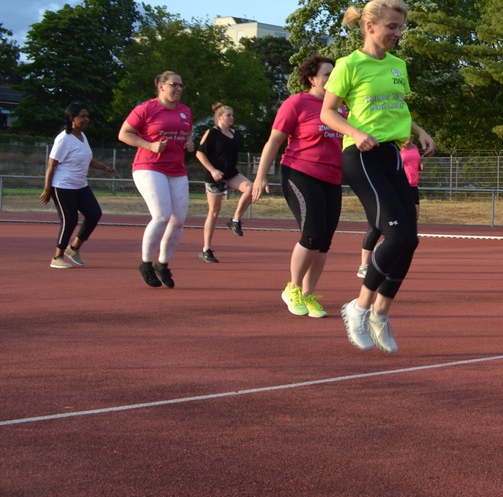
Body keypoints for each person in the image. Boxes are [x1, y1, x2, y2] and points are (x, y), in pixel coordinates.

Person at [321, 0, 435, 355]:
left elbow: (395, 106)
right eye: (391, 27)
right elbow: (327, 112)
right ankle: (358, 307)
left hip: (392, 154)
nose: (397, 33)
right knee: (397, 235)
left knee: (411, 239)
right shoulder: (348, 65)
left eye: (400, 27)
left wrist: (418, 131)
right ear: (369, 27)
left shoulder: (398, 65)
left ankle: (380, 314)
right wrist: (355, 133)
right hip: (362, 155)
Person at [252, 55, 344, 320]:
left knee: (325, 242)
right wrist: (261, 176)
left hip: (332, 178)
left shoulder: (341, 109)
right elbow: (274, 141)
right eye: (327, 74)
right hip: (300, 172)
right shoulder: (297, 103)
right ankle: (291, 287)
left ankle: (308, 294)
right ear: (312, 78)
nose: (332, 79)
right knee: (312, 234)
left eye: (335, 74)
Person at [118, 70, 195, 288]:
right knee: (161, 216)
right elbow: (124, 134)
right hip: (149, 166)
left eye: (181, 85)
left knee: (178, 220)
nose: (179, 89)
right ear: (161, 86)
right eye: (174, 85)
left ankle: (163, 263)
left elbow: (186, 133)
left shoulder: (185, 111)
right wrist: (149, 145)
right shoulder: (146, 108)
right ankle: (145, 263)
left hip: (176, 168)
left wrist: (189, 143)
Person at [41, 103, 116, 267]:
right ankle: (57, 257)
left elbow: (87, 160)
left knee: (94, 213)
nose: (86, 119)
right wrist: (47, 189)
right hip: (62, 186)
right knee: (70, 219)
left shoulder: (82, 137)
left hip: (80, 186)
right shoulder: (63, 139)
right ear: (71, 118)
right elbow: (51, 165)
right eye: (82, 116)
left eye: (87, 116)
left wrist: (104, 168)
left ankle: (73, 248)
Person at [195, 101, 255, 262]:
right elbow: (200, 153)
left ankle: (235, 220)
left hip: (231, 174)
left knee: (251, 189)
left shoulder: (234, 133)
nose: (232, 117)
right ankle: (206, 249)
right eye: (228, 115)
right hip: (215, 177)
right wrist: (213, 170)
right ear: (220, 117)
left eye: (232, 115)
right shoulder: (212, 132)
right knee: (214, 212)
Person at [359, 141, 421, 280]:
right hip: (393, 186)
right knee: (376, 226)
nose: (409, 136)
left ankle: (387, 246)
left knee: (410, 223)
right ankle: (364, 265)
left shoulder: (415, 147)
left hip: (412, 187)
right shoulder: (395, 148)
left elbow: (416, 165)